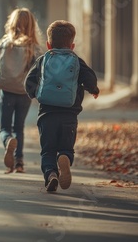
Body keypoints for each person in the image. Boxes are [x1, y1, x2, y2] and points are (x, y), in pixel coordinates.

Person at [25, 20, 99, 192]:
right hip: (69, 115)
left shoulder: (43, 60)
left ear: (48, 44)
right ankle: (64, 157)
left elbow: (29, 80)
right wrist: (93, 89)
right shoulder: (76, 61)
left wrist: (36, 94)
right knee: (66, 147)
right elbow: (89, 78)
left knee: (47, 150)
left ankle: (51, 174)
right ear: (72, 45)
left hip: (47, 114)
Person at [0, 8, 44, 173]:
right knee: (19, 127)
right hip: (24, 93)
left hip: (7, 90)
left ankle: (8, 141)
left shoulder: (5, 44)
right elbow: (39, 72)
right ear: (32, 25)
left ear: (12, 23)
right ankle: (19, 163)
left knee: (5, 128)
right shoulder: (34, 48)